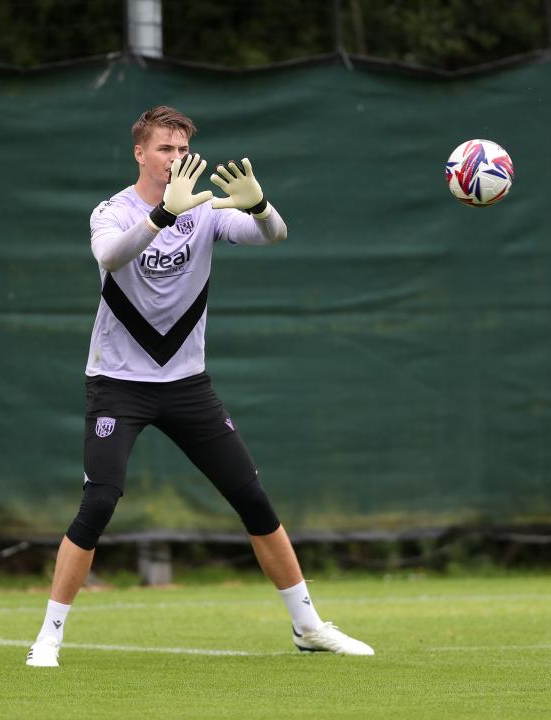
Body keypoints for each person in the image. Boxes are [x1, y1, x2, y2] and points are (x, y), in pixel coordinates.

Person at [26, 106, 373, 667]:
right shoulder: (112, 212)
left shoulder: (206, 210)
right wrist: (161, 215)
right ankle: (49, 638)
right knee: (100, 501)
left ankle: (308, 627)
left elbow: (273, 234)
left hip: (187, 386)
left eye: (182, 149)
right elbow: (110, 258)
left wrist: (261, 204)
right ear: (139, 153)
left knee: (252, 498)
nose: (175, 158)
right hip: (118, 384)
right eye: (164, 148)